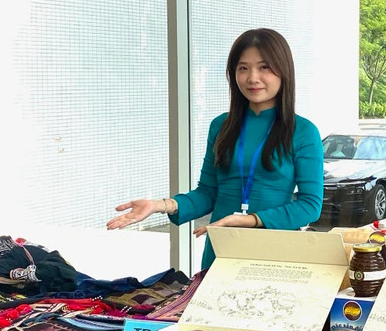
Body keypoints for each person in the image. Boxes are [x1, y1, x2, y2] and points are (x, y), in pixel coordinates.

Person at [106, 28, 324, 269]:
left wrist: (251, 220)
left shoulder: (303, 131)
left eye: (264, 67)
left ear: (283, 71)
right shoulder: (221, 125)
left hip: (275, 251)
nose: (252, 78)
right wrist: (161, 205)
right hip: (221, 250)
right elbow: (208, 193)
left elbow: (310, 206)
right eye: (243, 68)